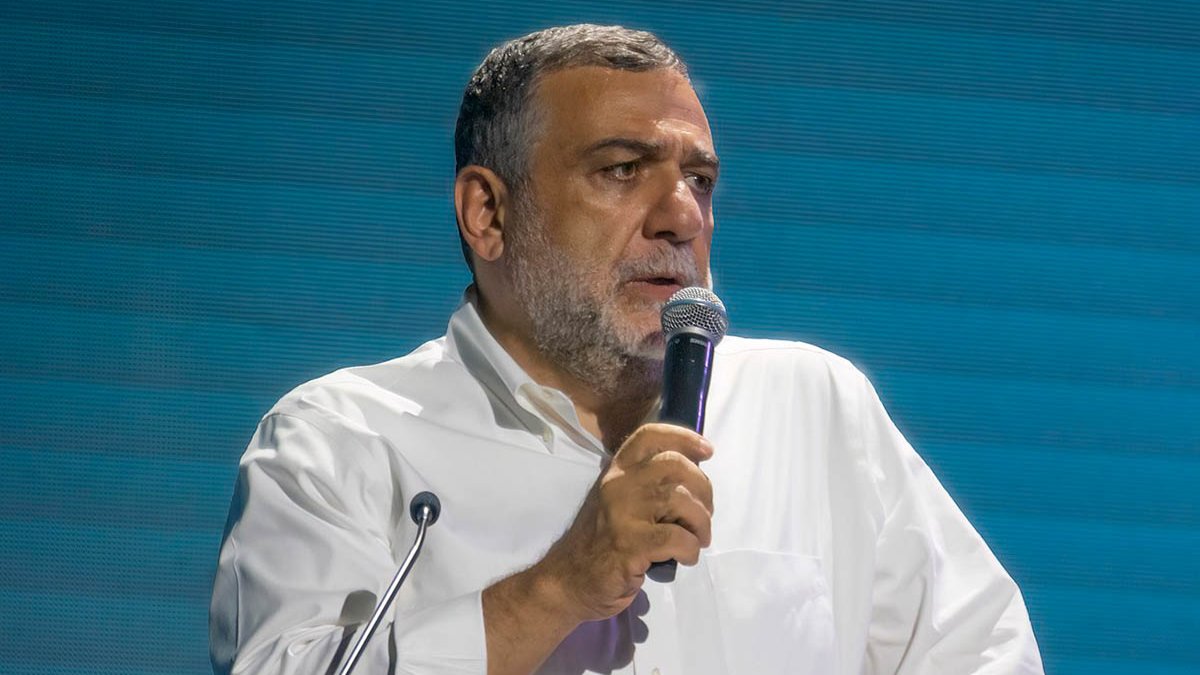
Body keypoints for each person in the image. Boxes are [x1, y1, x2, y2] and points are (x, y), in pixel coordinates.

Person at [210, 24, 1044, 675]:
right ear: (488, 214)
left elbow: (981, 651)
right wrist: (558, 586)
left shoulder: (812, 405)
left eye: (700, 180)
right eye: (621, 169)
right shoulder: (341, 440)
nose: (682, 216)